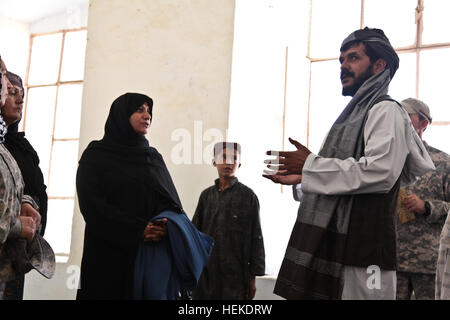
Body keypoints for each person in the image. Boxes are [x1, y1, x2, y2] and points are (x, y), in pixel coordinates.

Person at [263, 27, 435, 300]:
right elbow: (344, 174)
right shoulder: (354, 115)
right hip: (339, 247)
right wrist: (303, 178)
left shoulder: (386, 110)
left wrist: (310, 166)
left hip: (368, 254)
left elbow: (380, 173)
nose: (343, 66)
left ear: (379, 65)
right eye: (341, 60)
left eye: (353, 58)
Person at [76, 93, 211, 300]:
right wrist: (137, 229)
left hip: (148, 255)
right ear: (122, 115)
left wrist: (167, 226)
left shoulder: (152, 157)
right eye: (139, 110)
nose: (147, 115)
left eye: (149, 111)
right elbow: (92, 207)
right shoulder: (96, 155)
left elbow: (171, 202)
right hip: (107, 255)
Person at [192, 142, 265, 300]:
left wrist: (252, 280)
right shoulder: (206, 196)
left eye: (234, 158)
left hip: (236, 278)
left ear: (239, 163)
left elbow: (256, 238)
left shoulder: (248, 197)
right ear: (214, 162)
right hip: (206, 275)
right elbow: (194, 235)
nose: (229, 162)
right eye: (224, 157)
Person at [394, 98, 449, 300]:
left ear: (423, 123)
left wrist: (427, 207)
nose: (400, 121)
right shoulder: (386, 159)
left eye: (407, 116)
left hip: (427, 263)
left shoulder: (443, 162)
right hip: (391, 261)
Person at [1, 71, 48, 300]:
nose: (19, 100)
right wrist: (17, 225)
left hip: (15, 255)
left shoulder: (20, 146)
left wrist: (26, 201)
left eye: (22, 95)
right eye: (11, 92)